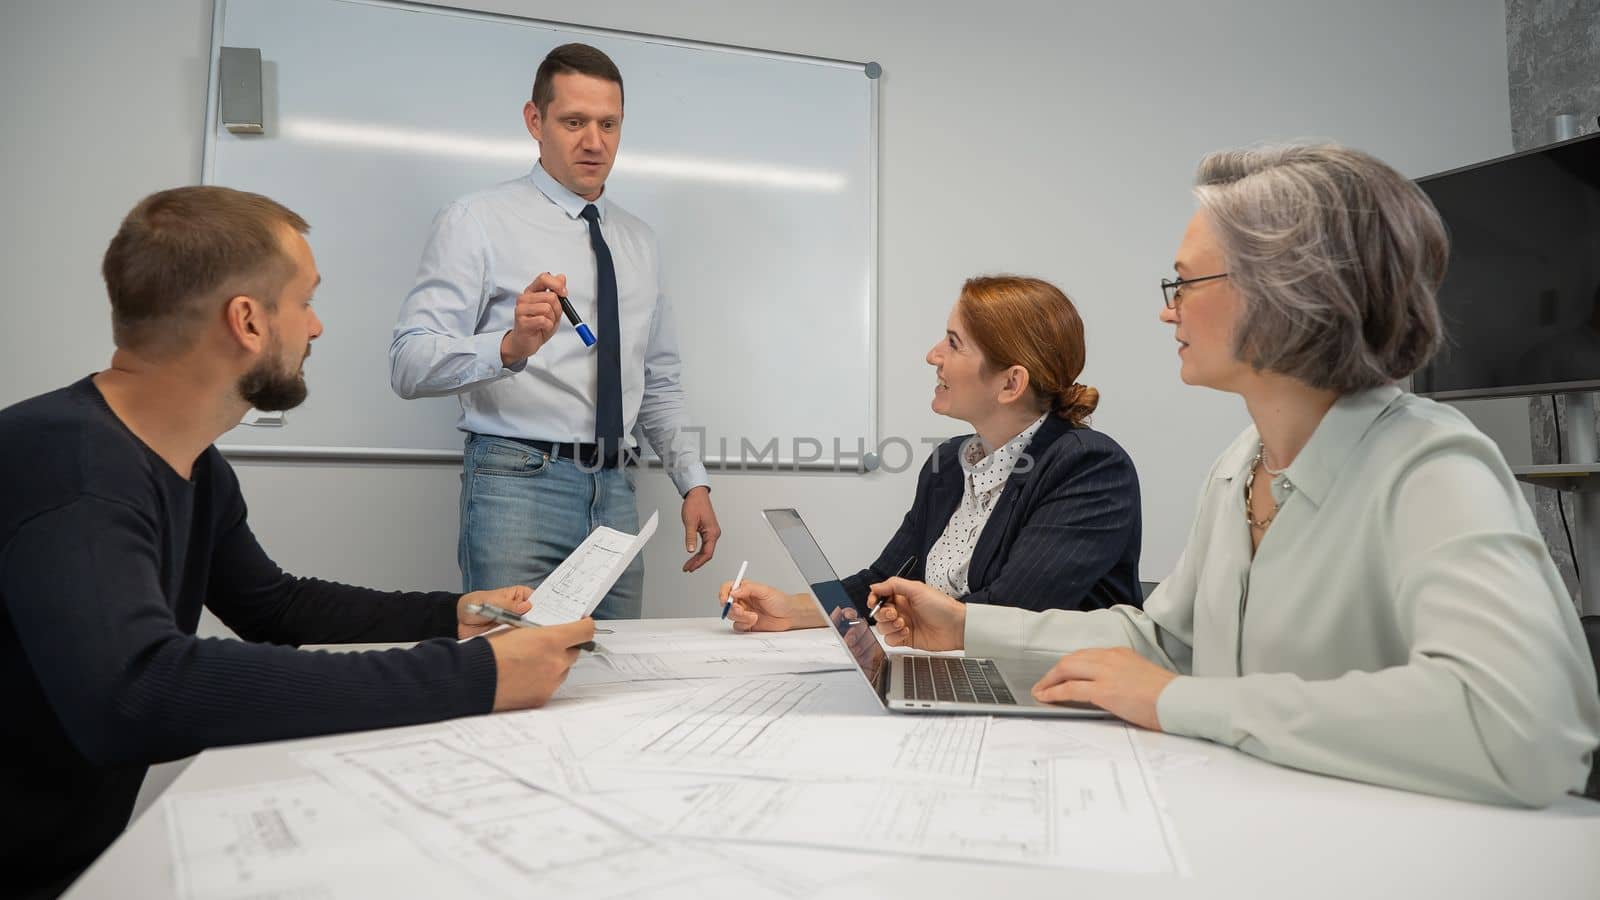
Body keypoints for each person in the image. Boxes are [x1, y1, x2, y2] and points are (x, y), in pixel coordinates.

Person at [870, 144, 1600, 807]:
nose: (1167, 310)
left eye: (1184, 284)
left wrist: (1181, 703)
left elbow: (1524, 724)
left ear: (1288, 290)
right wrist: (969, 626)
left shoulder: (1430, 464)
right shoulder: (1240, 463)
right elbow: (1164, 643)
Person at [0, 186, 595, 900]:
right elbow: (139, 694)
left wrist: (454, 615)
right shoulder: (70, 465)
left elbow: (273, 607)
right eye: (305, 301)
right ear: (248, 320)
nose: (315, 327)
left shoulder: (191, 463)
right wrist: (474, 677)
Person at [390, 43, 718, 619]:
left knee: (614, 675)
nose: (594, 141)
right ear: (534, 122)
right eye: (574, 122)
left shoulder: (639, 242)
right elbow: (409, 363)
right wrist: (508, 346)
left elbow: (655, 381)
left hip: (616, 488)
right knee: (515, 668)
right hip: (516, 481)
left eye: (608, 124)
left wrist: (692, 482)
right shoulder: (476, 221)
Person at [720, 275, 1142, 632]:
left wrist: (900, 614)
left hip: (1053, 703)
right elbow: (885, 579)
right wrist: (793, 609)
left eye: (954, 343)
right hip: (961, 676)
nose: (932, 355)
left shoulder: (1088, 467)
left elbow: (1012, 617)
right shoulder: (949, 463)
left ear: (1011, 384)